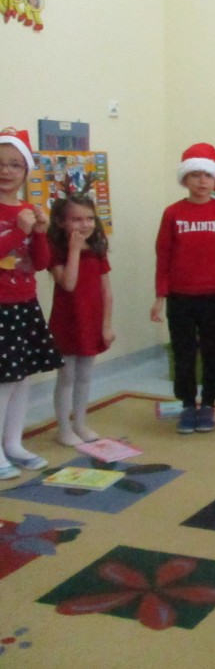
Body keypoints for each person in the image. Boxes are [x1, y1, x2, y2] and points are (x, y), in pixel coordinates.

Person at [150, 143, 215, 435]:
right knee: (184, 353)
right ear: (185, 178)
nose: (202, 181)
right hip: (180, 298)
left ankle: (209, 404)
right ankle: (188, 404)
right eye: (195, 175)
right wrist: (160, 296)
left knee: (214, 353)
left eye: (208, 175)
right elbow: (163, 255)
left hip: (213, 296)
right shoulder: (173, 213)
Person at [0, 128, 63, 478]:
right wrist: (19, 231)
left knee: (21, 377)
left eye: (15, 164)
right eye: (0, 164)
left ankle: (13, 443)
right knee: (4, 381)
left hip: (23, 302)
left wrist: (39, 232)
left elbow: (40, 262)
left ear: (25, 171)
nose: (6, 171)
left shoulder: (26, 209)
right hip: (1, 306)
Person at [47, 184, 114, 446]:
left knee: (85, 375)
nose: (84, 225)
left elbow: (107, 291)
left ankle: (80, 424)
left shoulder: (97, 248)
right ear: (61, 222)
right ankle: (64, 429)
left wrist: (106, 326)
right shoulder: (56, 250)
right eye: (76, 219)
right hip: (68, 322)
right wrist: (74, 250)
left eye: (89, 218)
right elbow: (68, 283)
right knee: (66, 377)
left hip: (92, 321)